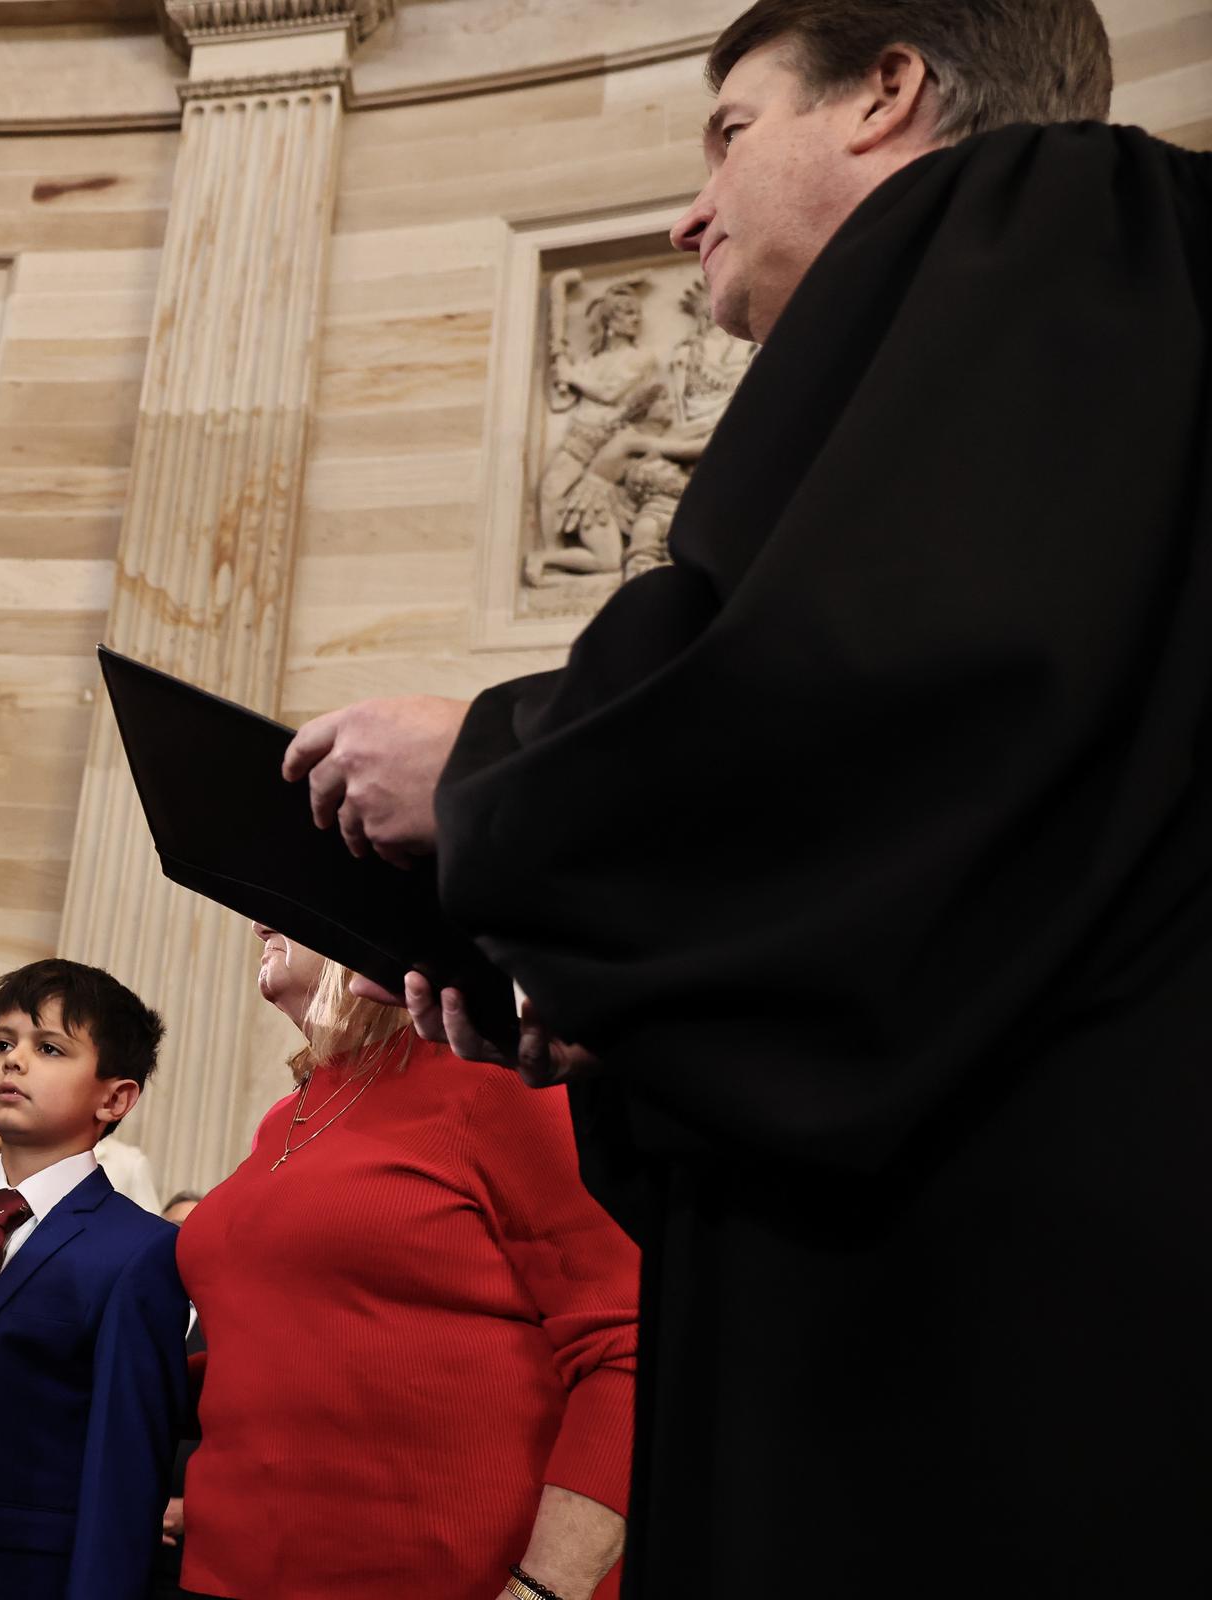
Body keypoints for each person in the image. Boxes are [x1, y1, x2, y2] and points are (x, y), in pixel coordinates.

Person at [283, 3, 1212, 1590]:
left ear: (890, 95)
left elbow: (880, 692)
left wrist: (491, 773)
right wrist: (600, 992)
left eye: (729, 132)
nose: (686, 207)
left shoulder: (1051, 215)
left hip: (998, 1313)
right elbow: (946, 857)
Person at [178, 928, 636, 1600]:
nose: (254, 921)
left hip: (446, 1578)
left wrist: (544, 1589)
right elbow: (294, 1342)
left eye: (289, 897)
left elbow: (627, 1343)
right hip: (230, 1572)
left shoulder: (494, 1079)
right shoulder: (288, 1113)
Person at [0, 959, 189, 1600]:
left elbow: (124, 1469)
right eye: (2, 1043)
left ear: (115, 1097)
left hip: (32, 1577)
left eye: (49, 1048)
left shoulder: (140, 1252)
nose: (13, 1061)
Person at [148, 1192, 204, 1600]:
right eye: (172, 1229)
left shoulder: (232, 1323)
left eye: (193, 1230)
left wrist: (194, 1507)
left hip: (195, 1546)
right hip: (123, 1528)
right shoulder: (131, 1308)